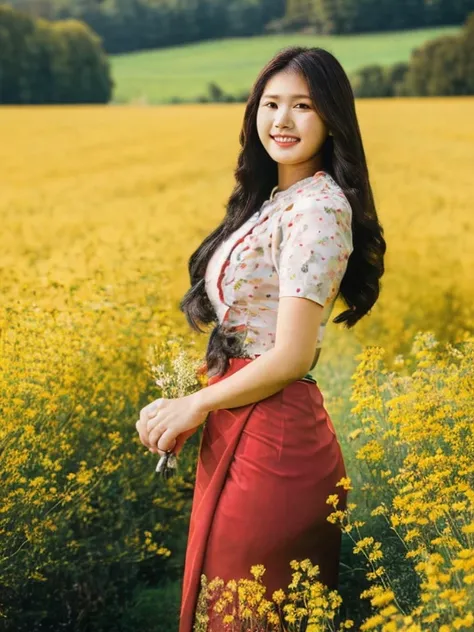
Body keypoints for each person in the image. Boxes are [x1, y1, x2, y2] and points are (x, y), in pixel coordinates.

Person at [136, 46, 386, 631]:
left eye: (303, 105)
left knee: (248, 614)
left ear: (331, 118)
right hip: (242, 419)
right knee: (226, 607)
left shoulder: (319, 208)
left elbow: (293, 353)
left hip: (274, 438)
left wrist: (193, 403)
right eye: (271, 104)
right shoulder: (275, 200)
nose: (283, 120)